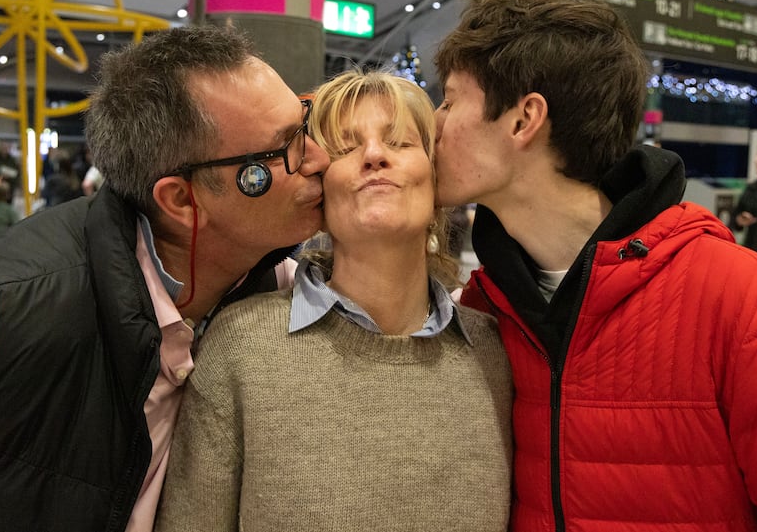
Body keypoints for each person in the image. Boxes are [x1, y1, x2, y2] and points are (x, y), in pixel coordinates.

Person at [433, 0, 757, 532]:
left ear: (524, 119)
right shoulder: (485, 313)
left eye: (449, 101)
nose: (434, 123)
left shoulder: (741, 298)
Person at [0, 24, 329, 532]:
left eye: (306, 125)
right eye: (284, 148)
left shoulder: (287, 293)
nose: (319, 158)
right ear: (181, 200)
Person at [154, 70, 513, 532]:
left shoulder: (492, 353)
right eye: (345, 148)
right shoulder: (244, 346)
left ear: (436, 179)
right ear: (320, 190)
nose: (374, 155)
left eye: (400, 142)